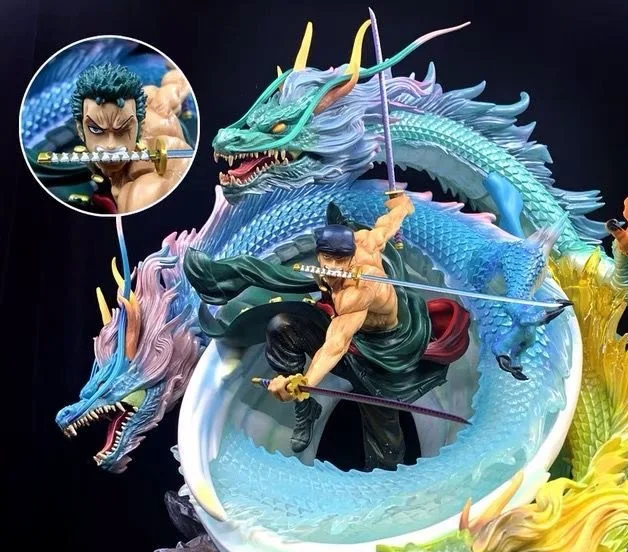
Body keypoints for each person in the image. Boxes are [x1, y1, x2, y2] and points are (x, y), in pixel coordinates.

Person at [184, 193, 471, 471]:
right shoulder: (365, 240)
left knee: (382, 429)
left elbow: (336, 343)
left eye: (340, 260)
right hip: (350, 332)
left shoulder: (358, 292)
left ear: (352, 256)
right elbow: (387, 224)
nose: (332, 267)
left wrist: (305, 381)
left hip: (383, 354)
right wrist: (402, 206)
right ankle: (306, 408)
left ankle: (386, 483)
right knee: (282, 327)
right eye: (326, 258)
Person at [69, 62, 193, 213]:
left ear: (140, 125)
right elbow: (175, 82)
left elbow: (177, 84)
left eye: (123, 129)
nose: (110, 145)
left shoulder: (141, 190)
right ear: (80, 130)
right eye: (96, 129)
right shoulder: (151, 98)